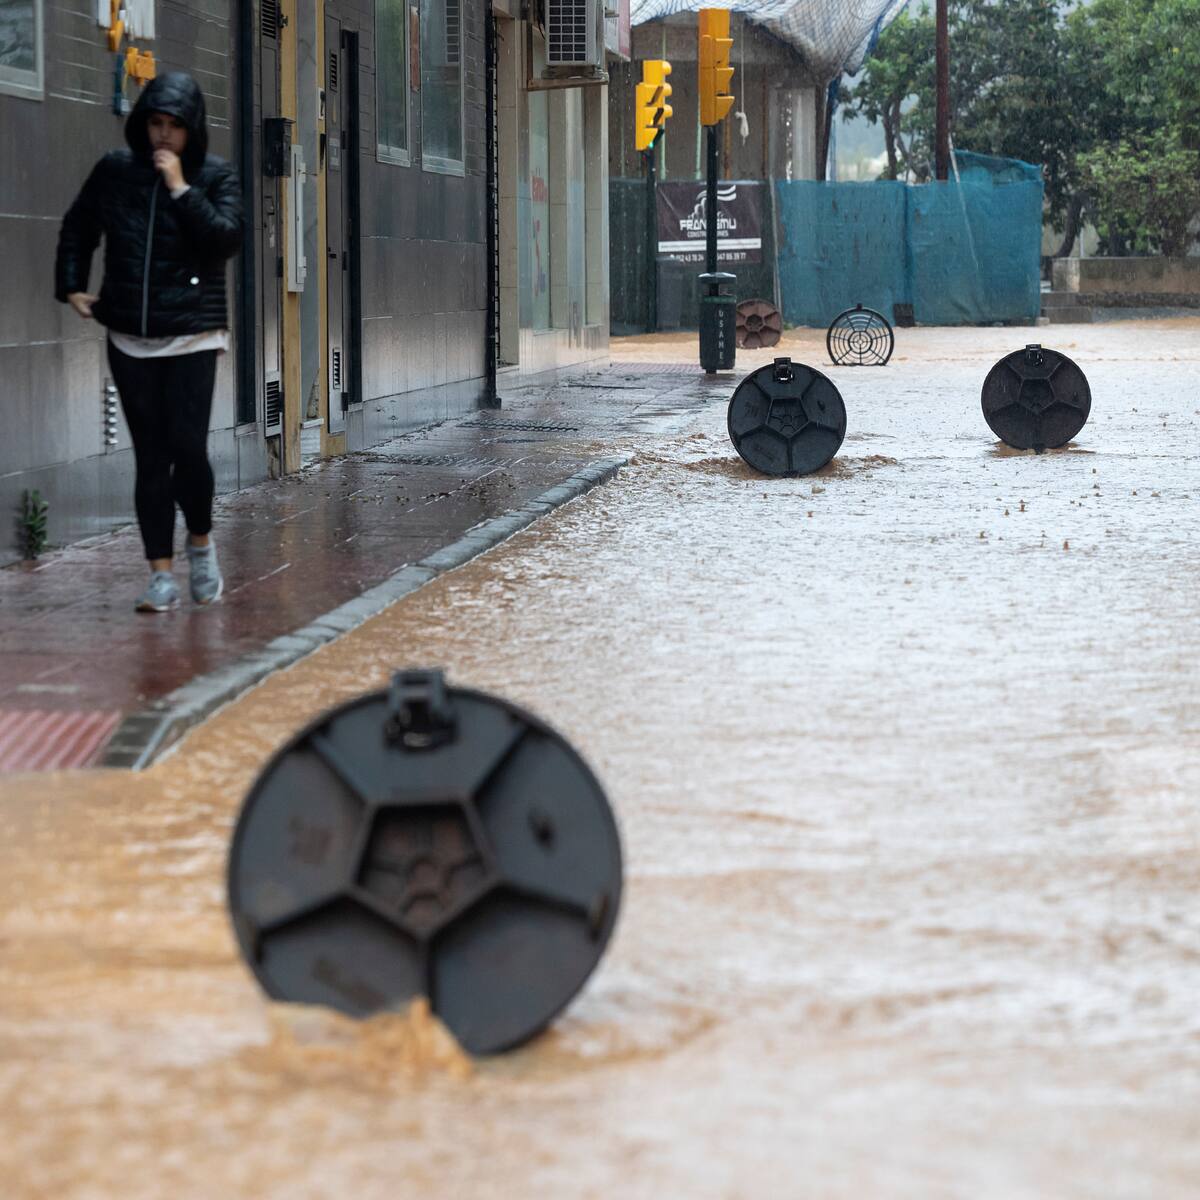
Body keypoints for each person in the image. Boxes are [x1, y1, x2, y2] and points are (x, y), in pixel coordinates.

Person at [55, 72, 243, 612]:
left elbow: (225, 239)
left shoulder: (215, 175)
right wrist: (71, 285)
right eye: (155, 123)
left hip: (192, 335)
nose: (163, 135)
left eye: (174, 126)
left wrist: (182, 189)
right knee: (151, 457)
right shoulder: (116, 171)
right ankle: (160, 575)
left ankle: (201, 544)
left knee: (188, 449)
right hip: (129, 336)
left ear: (193, 130)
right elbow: (79, 226)